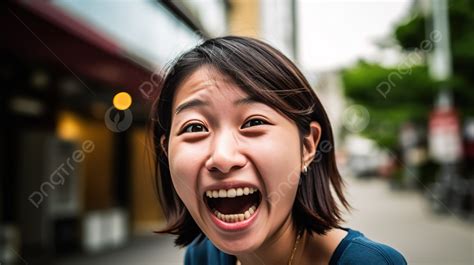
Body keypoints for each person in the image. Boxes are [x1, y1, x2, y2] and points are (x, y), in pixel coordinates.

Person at [151, 36, 407, 265]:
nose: (223, 158)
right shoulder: (201, 257)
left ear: (307, 146)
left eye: (253, 123)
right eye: (195, 127)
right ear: (166, 151)